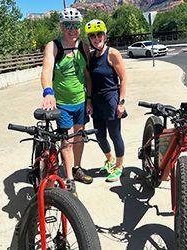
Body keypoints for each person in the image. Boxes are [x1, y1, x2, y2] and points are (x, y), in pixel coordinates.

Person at [41, 8, 93, 194]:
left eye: (76, 25)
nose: (73, 29)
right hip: (62, 103)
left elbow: (87, 75)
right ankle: (69, 179)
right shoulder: (53, 46)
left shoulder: (83, 46)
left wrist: (89, 99)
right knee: (67, 141)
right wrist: (48, 92)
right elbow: (46, 71)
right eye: (68, 25)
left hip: (80, 101)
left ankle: (77, 168)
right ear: (62, 27)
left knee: (79, 138)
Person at [85, 19, 126, 182]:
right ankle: (109, 159)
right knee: (100, 135)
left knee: (115, 134)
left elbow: (123, 79)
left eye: (99, 34)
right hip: (96, 100)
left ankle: (119, 165)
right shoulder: (92, 56)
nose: (96, 38)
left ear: (105, 35)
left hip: (111, 99)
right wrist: (89, 101)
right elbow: (89, 80)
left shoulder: (112, 53)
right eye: (93, 36)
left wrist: (121, 103)